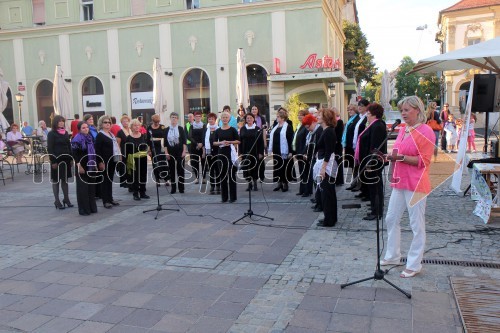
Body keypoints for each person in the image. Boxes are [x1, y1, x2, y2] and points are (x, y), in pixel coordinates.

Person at [382, 96, 434, 278]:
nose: (403, 113)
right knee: (390, 219)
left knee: (416, 225)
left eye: (406, 110)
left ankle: (414, 264)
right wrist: (389, 157)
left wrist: (400, 158)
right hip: (399, 181)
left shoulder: (426, 131)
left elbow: (424, 161)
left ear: (417, 110)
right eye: (401, 110)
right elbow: (399, 153)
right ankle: (393, 255)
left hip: (416, 184)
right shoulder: (403, 129)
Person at [356, 103, 387, 220]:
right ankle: (375, 207)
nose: (367, 116)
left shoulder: (378, 126)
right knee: (373, 186)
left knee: (375, 186)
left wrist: (370, 163)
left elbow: (375, 147)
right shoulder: (373, 124)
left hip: (373, 162)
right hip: (369, 160)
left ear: (374, 115)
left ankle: (377, 211)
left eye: (368, 114)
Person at [314, 108, 338, 227]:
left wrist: (323, 168)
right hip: (324, 162)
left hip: (327, 164)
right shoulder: (325, 130)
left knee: (327, 192)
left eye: (319, 115)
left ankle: (329, 220)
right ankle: (330, 217)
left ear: (326, 117)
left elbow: (329, 151)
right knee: (328, 192)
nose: (317, 117)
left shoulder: (328, 131)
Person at [71, 121, 98, 216]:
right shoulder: (76, 139)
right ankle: (84, 209)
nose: (86, 129)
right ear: (79, 129)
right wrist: (79, 166)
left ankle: (91, 208)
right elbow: (75, 154)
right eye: (83, 128)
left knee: (91, 188)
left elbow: (94, 152)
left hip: (91, 166)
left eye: (87, 127)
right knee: (82, 189)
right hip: (82, 166)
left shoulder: (90, 138)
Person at [47, 115, 73, 209]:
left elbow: (68, 146)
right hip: (56, 160)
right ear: (55, 123)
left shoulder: (65, 132)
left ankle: (66, 199)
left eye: (63, 121)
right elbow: (50, 148)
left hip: (66, 159)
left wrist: (71, 158)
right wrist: (53, 161)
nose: (62, 123)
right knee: (56, 180)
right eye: (60, 121)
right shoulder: (51, 134)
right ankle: (57, 201)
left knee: (65, 180)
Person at [95, 115, 121, 209]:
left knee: (109, 180)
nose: (107, 124)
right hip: (104, 161)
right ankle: (105, 201)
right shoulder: (100, 135)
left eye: (109, 122)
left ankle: (110, 198)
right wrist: (100, 162)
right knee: (105, 181)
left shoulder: (111, 134)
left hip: (112, 160)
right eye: (105, 122)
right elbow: (97, 150)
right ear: (101, 124)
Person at [214, 111, 240, 202]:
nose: (225, 119)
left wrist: (230, 142)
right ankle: (224, 197)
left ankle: (233, 197)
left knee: (231, 175)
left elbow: (238, 141)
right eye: (223, 117)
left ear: (229, 119)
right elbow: (214, 142)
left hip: (230, 153)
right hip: (221, 154)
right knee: (223, 176)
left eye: (226, 117)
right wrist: (221, 142)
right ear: (221, 119)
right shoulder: (218, 130)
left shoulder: (233, 129)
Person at [268, 108, 294, 192]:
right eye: (277, 116)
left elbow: (290, 140)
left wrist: (290, 151)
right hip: (276, 150)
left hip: (284, 150)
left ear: (283, 118)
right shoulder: (276, 126)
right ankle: (279, 183)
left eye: (278, 117)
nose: (277, 118)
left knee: (284, 167)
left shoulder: (288, 127)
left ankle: (285, 183)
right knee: (277, 167)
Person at [125, 119, 150, 200]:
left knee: (143, 175)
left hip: (143, 158)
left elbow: (146, 146)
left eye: (138, 125)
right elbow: (126, 150)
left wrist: (148, 151)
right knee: (135, 176)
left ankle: (142, 192)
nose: (137, 127)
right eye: (135, 125)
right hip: (133, 159)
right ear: (131, 127)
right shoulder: (128, 138)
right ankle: (135, 194)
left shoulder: (143, 136)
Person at [239, 112, 265, 191]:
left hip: (255, 151)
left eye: (250, 118)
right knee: (247, 168)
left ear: (254, 119)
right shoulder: (243, 128)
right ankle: (249, 184)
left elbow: (261, 142)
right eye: (247, 118)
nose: (249, 119)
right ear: (245, 120)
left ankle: (255, 183)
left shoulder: (257, 129)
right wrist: (240, 152)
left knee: (255, 167)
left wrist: (261, 152)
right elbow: (240, 141)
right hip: (245, 151)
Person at [164, 112, 187, 194]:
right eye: (172, 117)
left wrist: (184, 151)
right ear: (170, 118)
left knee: (180, 169)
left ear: (177, 119)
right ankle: (173, 188)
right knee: (172, 170)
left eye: (175, 117)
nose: (174, 118)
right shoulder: (167, 129)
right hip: (170, 152)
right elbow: (165, 143)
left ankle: (181, 188)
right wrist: (166, 153)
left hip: (180, 151)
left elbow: (184, 141)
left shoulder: (180, 129)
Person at [303, 114, 323, 206]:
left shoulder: (319, 130)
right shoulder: (313, 132)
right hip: (313, 158)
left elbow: (318, 146)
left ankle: (319, 202)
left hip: (318, 159)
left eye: (308, 127)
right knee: (315, 180)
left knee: (318, 181)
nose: (308, 129)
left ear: (313, 123)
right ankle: (318, 200)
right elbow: (309, 144)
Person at [352, 99, 369, 198]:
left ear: (367, 107)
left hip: (363, 147)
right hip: (357, 146)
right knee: (359, 169)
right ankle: (362, 190)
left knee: (363, 169)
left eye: (362, 105)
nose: (359, 107)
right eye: (358, 105)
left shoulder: (366, 118)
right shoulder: (360, 117)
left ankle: (366, 192)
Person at [146, 114, 169, 185]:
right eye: (155, 122)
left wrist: (166, 150)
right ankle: (157, 179)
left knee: (163, 163)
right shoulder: (149, 128)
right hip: (154, 148)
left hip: (161, 147)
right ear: (152, 121)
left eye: (158, 122)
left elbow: (165, 138)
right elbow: (148, 140)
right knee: (155, 164)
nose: (157, 123)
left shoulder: (162, 127)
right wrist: (149, 150)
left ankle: (166, 179)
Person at [342, 104, 360, 189]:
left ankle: (357, 184)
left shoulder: (357, 119)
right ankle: (354, 183)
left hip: (353, 146)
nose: (349, 112)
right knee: (352, 165)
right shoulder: (350, 120)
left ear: (355, 110)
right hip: (348, 145)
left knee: (355, 165)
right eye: (348, 110)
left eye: (351, 110)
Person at [203, 112, 220, 194]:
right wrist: (204, 152)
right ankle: (212, 186)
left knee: (217, 169)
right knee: (211, 170)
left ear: (215, 120)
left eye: (212, 119)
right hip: (208, 152)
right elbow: (203, 142)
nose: (210, 120)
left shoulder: (218, 129)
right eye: (209, 119)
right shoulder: (206, 130)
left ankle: (218, 186)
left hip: (217, 152)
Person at [293, 109, 309, 196]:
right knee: (301, 171)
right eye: (298, 114)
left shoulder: (306, 126)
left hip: (303, 152)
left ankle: (306, 190)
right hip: (298, 151)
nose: (299, 116)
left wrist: (304, 152)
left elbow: (307, 141)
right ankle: (302, 189)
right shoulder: (299, 125)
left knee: (305, 172)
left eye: (301, 115)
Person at [188, 111, 206, 184]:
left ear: (201, 117)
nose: (198, 118)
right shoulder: (192, 126)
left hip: (203, 146)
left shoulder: (204, 125)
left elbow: (205, 136)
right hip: (194, 146)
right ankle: (197, 177)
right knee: (194, 162)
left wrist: (201, 144)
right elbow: (189, 136)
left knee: (203, 162)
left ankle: (204, 177)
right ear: (194, 117)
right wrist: (197, 143)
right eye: (196, 116)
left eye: (199, 116)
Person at [250, 105, 268, 181]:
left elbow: (264, 130)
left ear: (258, 110)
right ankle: (254, 176)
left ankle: (261, 176)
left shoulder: (262, 118)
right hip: (251, 141)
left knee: (260, 158)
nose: (254, 110)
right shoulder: (248, 118)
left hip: (259, 139)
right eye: (252, 109)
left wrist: (265, 142)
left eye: (255, 109)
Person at [116, 115, 132, 189]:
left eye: (127, 121)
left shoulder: (131, 130)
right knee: (124, 168)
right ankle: (125, 183)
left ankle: (131, 182)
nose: (125, 122)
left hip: (132, 152)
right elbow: (118, 144)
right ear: (121, 123)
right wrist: (119, 154)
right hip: (123, 152)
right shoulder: (120, 132)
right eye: (123, 121)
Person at [333, 108, 344, 186]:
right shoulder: (331, 122)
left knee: (338, 161)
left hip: (337, 145)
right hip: (333, 145)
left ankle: (339, 180)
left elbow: (339, 134)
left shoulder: (339, 122)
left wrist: (335, 140)